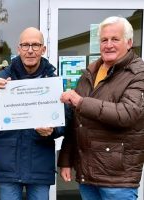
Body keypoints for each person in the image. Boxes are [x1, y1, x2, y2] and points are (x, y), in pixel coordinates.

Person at [58, 16, 144, 200]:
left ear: (129, 43)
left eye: (115, 39)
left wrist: (81, 102)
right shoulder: (90, 73)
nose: (108, 45)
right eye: (104, 40)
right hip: (87, 175)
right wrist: (65, 160)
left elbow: (127, 114)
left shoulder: (138, 73)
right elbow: (76, 121)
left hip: (117, 179)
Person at [0, 27, 65, 200]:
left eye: (35, 45)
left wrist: (53, 131)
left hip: (39, 163)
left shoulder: (53, 82)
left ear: (43, 49)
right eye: (25, 45)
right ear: (18, 49)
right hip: (9, 165)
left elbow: (64, 120)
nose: (30, 50)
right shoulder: (3, 78)